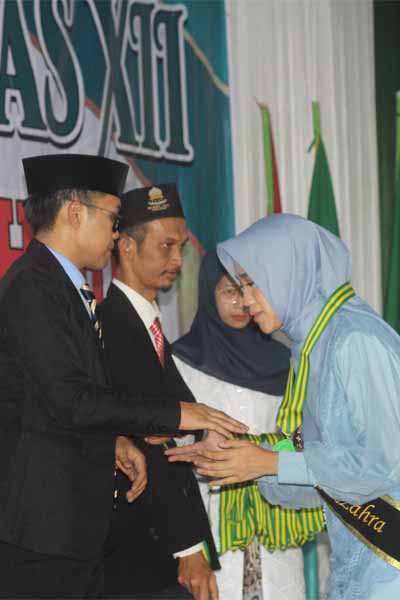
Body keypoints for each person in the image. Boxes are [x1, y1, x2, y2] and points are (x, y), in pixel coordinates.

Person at [0, 154, 247, 599]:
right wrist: (177, 414)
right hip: (41, 532)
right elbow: (71, 400)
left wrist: (114, 441)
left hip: (69, 530)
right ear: (75, 213)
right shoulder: (33, 286)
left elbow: (53, 400)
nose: (116, 234)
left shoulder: (63, 287)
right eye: (112, 219)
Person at [185, 214, 400, 599]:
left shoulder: (355, 339)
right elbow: (322, 483)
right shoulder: (312, 346)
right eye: (239, 286)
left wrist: (269, 463)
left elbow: (383, 464)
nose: (245, 299)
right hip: (357, 570)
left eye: (251, 282)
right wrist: (241, 458)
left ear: (289, 271)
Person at [100, 184, 219, 600]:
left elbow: (172, 430)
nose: (178, 259)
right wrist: (187, 547)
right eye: (166, 245)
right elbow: (148, 445)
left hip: (158, 551)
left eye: (181, 247)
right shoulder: (111, 326)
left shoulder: (148, 326)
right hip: (141, 552)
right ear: (127, 247)